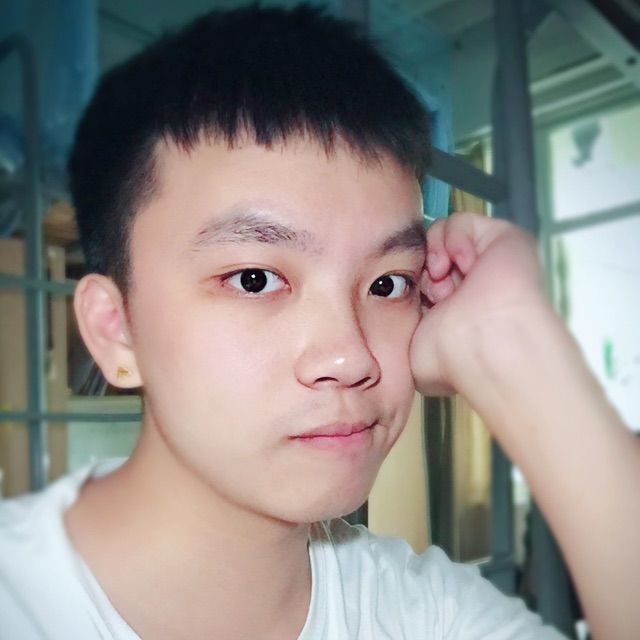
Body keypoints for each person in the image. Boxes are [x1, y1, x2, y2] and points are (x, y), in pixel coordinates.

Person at [0, 5, 638, 639]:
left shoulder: (423, 612)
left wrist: (523, 348)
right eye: (254, 279)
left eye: (388, 284)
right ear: (115, 329)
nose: (351, 358)